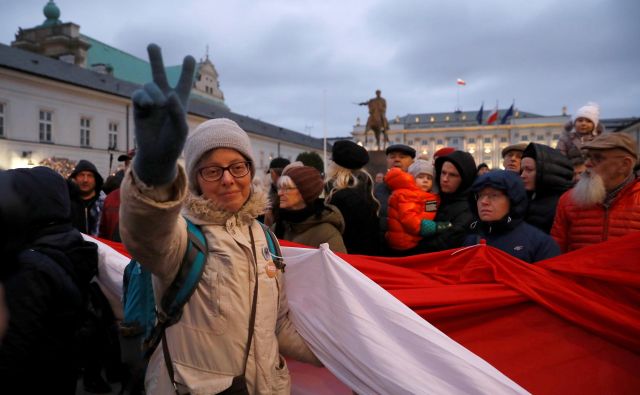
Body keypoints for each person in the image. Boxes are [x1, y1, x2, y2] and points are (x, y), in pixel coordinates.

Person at [119, 44, 320, 394]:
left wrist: (347, 353)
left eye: (237, 166)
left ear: (249, 171)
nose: (228, 178)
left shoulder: (265, 239)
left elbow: (277, 325)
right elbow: (146, 235)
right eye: (212, 170)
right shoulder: (183, 237)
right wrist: (153, 172)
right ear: (196, 178)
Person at [0, 166, 98, 394]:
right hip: (59, 374)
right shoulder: (67, 244)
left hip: (35, 379)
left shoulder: (31, 267)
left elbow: (12, 351)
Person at [551, 133, 640, 253]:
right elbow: (555, 253)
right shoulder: (568, 200)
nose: (587, 163)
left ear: (624, 165)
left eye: (598, 158)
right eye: (587, 157)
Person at [464, 170, 561, 263]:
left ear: (513, 200)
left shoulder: (540, 244)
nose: (484, 202)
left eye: (494, 195)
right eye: (480, 195)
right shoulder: (472, 240)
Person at [413, 151, 477, 253]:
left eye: (453, 175)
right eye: (443, 173)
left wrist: (411, 249)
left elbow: (444, 243)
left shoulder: (468, 209)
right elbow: (424, 218)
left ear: (465, 179)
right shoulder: (434, 198)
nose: (445, 179)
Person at [324, 140, 380, 255]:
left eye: (331, 161)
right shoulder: (366, 191)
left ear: (336, 166)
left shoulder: (340, 197)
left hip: (348, 259)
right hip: (366, 257)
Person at [277, 166, 347, 252]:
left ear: (306, 191)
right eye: (280, 188)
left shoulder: (327, 233)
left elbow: (338, 264)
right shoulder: (279, 226)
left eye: (287, 189)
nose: (279, 193)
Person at [385, 159, 442, 252]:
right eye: (421, 177)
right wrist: (436, 227)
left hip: (412, 240)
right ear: (412, 178)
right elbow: (409, 220)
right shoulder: (408, 194)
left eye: (429, 178)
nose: (425, 180)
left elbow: (428, 214)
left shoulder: (430, 198)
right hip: (405, 243)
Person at [520, 143, 574, 233]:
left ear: (545, 171)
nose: (522, 175)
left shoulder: (564, 203)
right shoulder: (528, 199)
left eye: (529, 170)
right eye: (522, 170)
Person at [373, 144, 416, 254]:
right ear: (387, 160)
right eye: (392, 157)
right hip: (382, 253)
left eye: (402, 157)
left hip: (414, 253)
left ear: (412, 162)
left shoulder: (420, 189)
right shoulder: (376, 191)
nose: (396, 160)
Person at [99, 149, 137, 242]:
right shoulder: (111, 198)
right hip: (116, 253)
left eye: (136, 164)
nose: (130, 169)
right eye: (128, 164)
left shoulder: (156, 199)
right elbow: (104, 234)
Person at [68, 159, 106, 236]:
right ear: (75, 179)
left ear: (96, 180)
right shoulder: (67, 202)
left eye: (89, 176)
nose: (85, 180)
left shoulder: (105, 204)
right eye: (81, 175)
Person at [263, 157, 290, 227]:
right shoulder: (273, 189)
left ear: (273, 173)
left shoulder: (275, 190)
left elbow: (268, 219)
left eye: (271, 173)